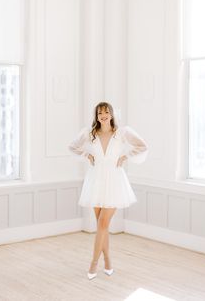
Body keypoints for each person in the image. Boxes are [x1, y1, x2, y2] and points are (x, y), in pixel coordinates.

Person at [68, 102, 148, 280]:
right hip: (95, 180)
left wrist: (126, 156)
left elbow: (142, 146)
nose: (103, 115)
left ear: (111, 114)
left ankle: (93, 264)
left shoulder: (121, 133)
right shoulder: (91, 134)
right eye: (99, 112)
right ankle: (108, 262)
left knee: (103, 224)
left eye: (106, 112)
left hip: (114, 181)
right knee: (101, 227)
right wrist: (86, 155)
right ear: (96, 116)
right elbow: (72, 146)